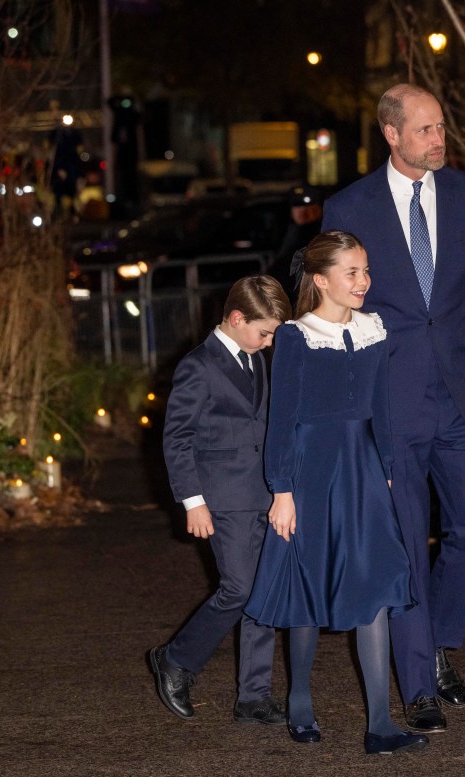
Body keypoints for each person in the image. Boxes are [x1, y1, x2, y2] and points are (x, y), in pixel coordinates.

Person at [322, 83, 465, 733]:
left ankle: (433, 638)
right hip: (391, 400)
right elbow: (335, 312)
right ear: (392, 134)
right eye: (425, 130)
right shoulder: (349, 207)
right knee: (408, 541)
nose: (439, 140)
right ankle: (418, 686)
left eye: (441, 127)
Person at [244, 231, 429, 756]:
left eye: (365, 270)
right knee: (309, 583)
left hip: (363, 469)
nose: (363, 281)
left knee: (376, 582)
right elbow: (282, 418)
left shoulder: (375, 328)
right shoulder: (296, 337)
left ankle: (381, 724)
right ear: (321, 280)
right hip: (312, 471)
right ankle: (300, 700)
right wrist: (282, 489)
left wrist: (386, 468)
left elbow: (381, 406)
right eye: (352, 272)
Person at [149, 275, 290, 727]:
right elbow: (177, 437)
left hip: (262, 492)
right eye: (263, 332)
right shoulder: (198, 365)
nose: (268, 343)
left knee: (263, 591)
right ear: (236, 318)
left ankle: (254, 695)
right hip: (222, 497)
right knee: (239, 589)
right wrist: (193, 501)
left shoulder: (256, 359)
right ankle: (176, 659)